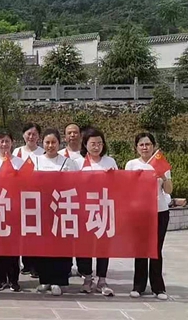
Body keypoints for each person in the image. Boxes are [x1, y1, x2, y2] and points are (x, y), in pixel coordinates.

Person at [126, 132, 172, 301]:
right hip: (139, 213)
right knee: (140, 249)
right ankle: (138, 286)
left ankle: (158, 288)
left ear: (153, 146)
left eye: (148, 144)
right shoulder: (131, 164)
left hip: (159, 211)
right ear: (136, 147)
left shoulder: (160, 163)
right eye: (141, 145)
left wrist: (163, 176)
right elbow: (127, 188)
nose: (145, 147)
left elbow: (169, 190)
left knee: (155, 250)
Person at [33, 129, 78, 297]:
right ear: (42, 143)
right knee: (43, 245)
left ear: (59, 143)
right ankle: (44, 279)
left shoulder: (68, 162)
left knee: (61, 246)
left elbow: (76, 184)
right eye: (47, 142)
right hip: (42, 209)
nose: (50, 145)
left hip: (62, 209)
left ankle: (60, 280)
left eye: (53, 142)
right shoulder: (35, 161)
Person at [75, 128, 118, 297]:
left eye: (99, 143)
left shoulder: (109, 162)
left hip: (104, 209)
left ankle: (102, 280)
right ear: (85, 144)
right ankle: (87, 278)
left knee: (102, 247)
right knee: (84, 247)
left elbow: (119, 184)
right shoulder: (78, 163)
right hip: (84, 211)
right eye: (93, 143)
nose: (96, 147)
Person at [0, 130, 25, 291]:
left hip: (15, 208)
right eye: (1, 141)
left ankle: (14, 279)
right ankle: (0, 279)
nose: (4, 144)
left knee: (14, 247)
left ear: (12, 143)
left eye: (7, 141)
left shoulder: (20, 162)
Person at [13, 122, 44, 277]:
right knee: (23, 232)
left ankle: (35, 265)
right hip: (20, 198)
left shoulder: (43, 152)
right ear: (23, 135)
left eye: (34, 134)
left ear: (39, 136)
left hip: (38, 198)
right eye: (28, 134)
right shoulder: (17, 152)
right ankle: (25, 263)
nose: (31, 137)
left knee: (35, 232)